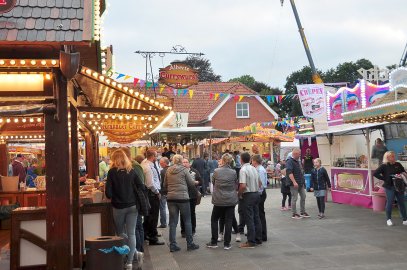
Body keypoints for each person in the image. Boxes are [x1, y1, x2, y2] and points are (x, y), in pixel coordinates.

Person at [105, 149, 144, 270]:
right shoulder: (131, 171)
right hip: (133, 206)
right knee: (132, 233)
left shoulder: (112, 172)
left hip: (118, 206)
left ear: (114, 159)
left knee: (120, 233)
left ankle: (132, 254)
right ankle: (131, 261)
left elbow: (108, 193)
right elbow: (141, 186)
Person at [163, 154, 199, 252]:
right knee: (187, 220)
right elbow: (191, 183)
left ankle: (173, 245)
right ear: (181, 160)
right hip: (183, 198)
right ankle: (190, 243)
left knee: (173, 222)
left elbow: (165, 184)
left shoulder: (168, 170)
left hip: (171, 198)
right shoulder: (184, 170)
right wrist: (195, 182)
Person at [206, 153, 238, 250]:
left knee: (214, 219)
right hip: (230, 199)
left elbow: (214, 183)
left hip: (219, 199)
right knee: (229, 220)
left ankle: (214, 241)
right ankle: (227, 244)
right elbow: (235, 183)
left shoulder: (216, 171)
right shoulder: (233, 172)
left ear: (222, 160)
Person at [122, 149, 145, 258]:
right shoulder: (129, 166)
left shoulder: (135, 166)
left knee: (136, 227)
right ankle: (137, 252)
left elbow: (141, 185)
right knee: (135, 228)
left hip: (135, 201)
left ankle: (138, 250)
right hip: (132, 201)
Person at [373, 151, 407, 226]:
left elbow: (403, 172)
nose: (394, 157)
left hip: (399, 186)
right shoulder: (384, 166)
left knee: (401, 203)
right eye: (392, 156)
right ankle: (388, 219)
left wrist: (404, 175)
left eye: (394, 156)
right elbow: (375, 173)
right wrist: (385, 178)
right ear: (387, 157)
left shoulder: (398, 164)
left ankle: (405, 219)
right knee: (390, 202)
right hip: (389, 187)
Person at [238, 152, 262, 248]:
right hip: (256, 193)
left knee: (249, 218)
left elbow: (243, 185)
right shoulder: (254, 168)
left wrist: (239, 194)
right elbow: (260, 183)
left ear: (241, 160)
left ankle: (251, 241)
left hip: (248, 195)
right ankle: (258, 238)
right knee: (256, 217)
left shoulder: (243, 170)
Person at [141, 149, 164, 245]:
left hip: (150, 193)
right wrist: (157, 192)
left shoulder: (147, 164)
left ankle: (146, 233)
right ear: (152, 156)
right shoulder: (148, 167)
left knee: (149, 216)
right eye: (156, 155)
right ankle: (152, 237)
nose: (157, 157)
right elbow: (150, 183)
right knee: (153, 216)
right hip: (152, 193)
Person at [286, 148, 310, 219]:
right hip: (294, 184)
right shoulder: (289, 161)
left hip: (300, 183)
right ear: (295, 154)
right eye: (299, 154)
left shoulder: (297, 161)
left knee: (303, 196)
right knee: (294, 198)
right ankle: (294, 213)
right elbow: (289, 173)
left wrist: (302, 181)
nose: (300, 155)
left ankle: (302, 212)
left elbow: (300, 171)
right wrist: (294, 182)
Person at [180, 159, 201, 237]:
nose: (185, 164)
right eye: (183, 162)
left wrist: (196, 182)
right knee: (182, 214)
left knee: (192, 213)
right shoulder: (180, 171)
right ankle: (183, 231)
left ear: (189, 164)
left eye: (186, 162)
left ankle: (192, 230)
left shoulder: (194, 171)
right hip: (182, 195)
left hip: (192, 195)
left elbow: (200, 181)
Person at [252, 154, 268, 242]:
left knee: (260, 214)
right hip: (260, 193)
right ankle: (260, 233)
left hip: (260, 194)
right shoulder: (258, 169)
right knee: (259, 214)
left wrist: (258, 193)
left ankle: (262, 234)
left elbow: (261, 183)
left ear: (255, 161)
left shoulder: (260, 170)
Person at [158, 157, 170, 228]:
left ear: (165, 163)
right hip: (171, 191)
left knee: (162, 208)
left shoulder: (162, 171)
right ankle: (171, 223)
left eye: (161, 163)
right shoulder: (171, 169)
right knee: (170, 208)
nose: (160, 164)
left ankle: (163, 223)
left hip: (163, 191)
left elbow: (162, 182)